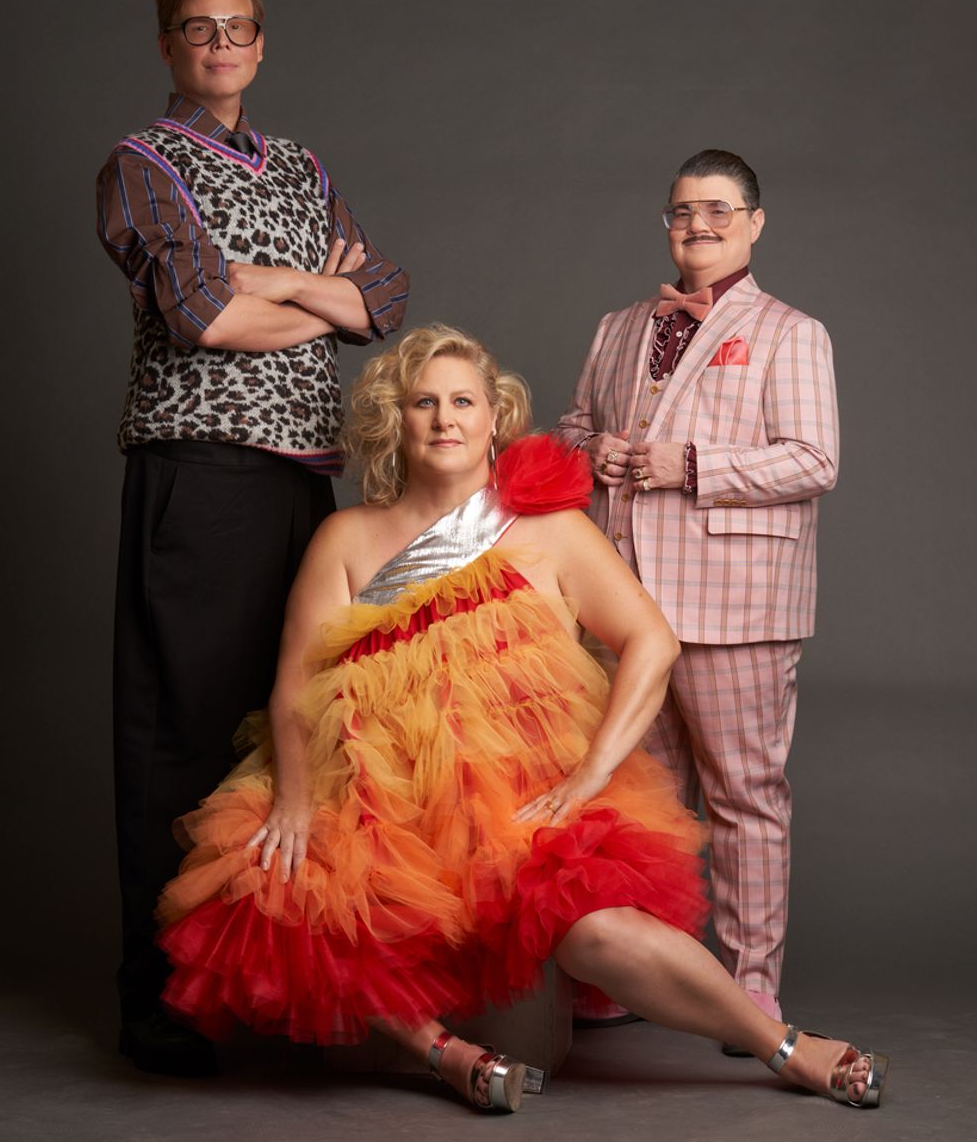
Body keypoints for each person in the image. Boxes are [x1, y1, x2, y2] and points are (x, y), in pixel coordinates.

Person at [154, 325, 881, 1111]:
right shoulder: (347, 537)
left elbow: (653, 642)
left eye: (462, 401)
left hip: (516, 803)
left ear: (494, 417)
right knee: (274, 877)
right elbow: (294, 688)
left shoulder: (551, 529)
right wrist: (296, 801)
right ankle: (443, 1052)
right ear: (395, 420)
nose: (444, 418)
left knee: (593, 936)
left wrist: (591, 774)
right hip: (377, 799)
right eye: (423, 402)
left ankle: (782, 1045)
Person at [95, 0, 409, 1074]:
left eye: (238, 28)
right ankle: (164, 1003)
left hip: (302, 480)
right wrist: (319, 296)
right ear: (169, 45)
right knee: (182, 732)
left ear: (262, 44)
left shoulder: (301, 165)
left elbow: (383, 297)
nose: (221, 45)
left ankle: (259, 988)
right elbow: (200, 319)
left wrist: (264, 282)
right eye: (199, 29)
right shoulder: (142, 163)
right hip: (201, 471)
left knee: (289, 729)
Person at [555, 150, 839, 1038]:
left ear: (755, 223)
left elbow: (814, 459)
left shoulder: (793, 332)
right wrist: (591, 451)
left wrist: (691, 466)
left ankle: (749, 992)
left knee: (743, 797)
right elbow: (570, 431)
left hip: (736, 606)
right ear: (667, 224)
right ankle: (642, 976)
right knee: (641, 797)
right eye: (683, 210)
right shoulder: (616, 327)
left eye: (719, 209)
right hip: (624, 608)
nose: (699, 224)